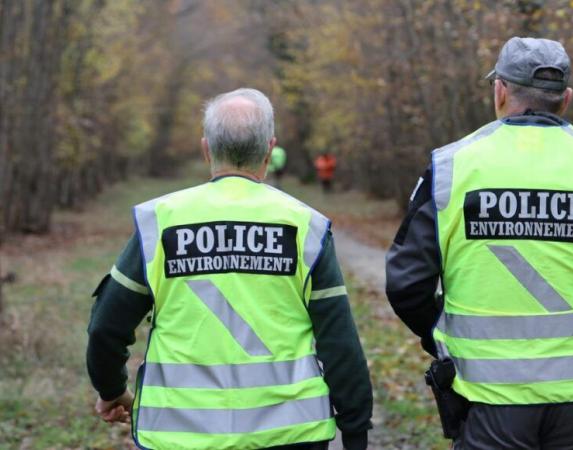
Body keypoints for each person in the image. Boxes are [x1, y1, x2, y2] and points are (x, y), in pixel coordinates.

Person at [385, 37, 573, 449]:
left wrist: (443, 336)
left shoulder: (451, 168)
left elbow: (406, 284)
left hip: (487, 396)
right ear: (565, 99)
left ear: (500, 91)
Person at [87, 88, 372, 450]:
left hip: (179, 434)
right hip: (290, 434)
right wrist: (356, 428)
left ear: (206, 148)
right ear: (269, 150)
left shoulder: (159, 223)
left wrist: (111, 391)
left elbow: (105, 327)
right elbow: (339, 341)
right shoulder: (305, 226)